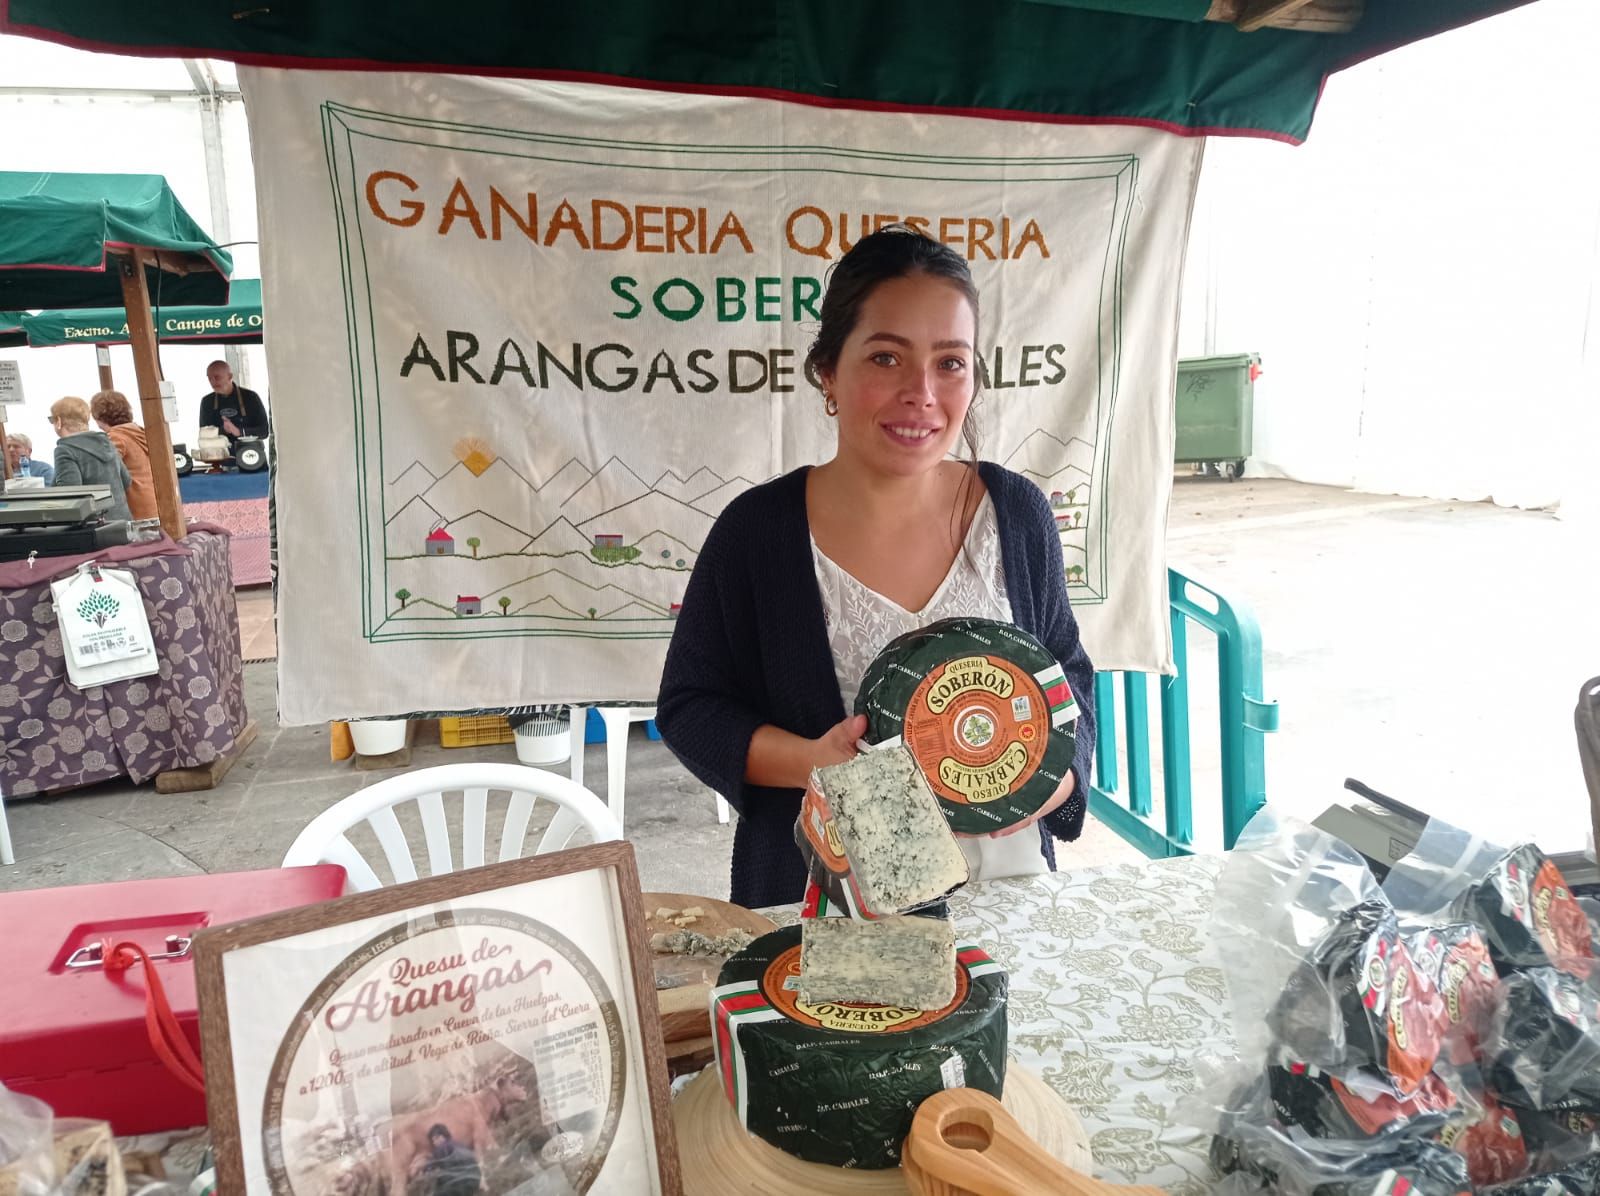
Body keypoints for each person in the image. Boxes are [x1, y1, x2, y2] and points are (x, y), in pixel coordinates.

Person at [655, 225, 1096, 908]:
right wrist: (812, 762)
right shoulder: (759, 533)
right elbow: (691, 707)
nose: (922, 392)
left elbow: (1067, 674)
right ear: (828, 371)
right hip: (834, 910)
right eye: (886, 358)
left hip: (1011, 895)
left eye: (950, 363)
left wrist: (1059, 778)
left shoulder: (1016, 512)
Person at [49, 396, 133, 521]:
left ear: (59, 421)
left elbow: (70, 494)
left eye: (52, 420)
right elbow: (126, 480)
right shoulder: (106, 442)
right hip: (122, 520)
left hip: (93, 525)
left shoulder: (65, 450)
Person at [90, 390, 158, 522]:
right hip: (155, 503)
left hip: (137, 509)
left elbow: (105, 472)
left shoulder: (115, 438)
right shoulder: (141, 433)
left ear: (98, 417)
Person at [198, 359, 267, 452]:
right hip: (220, 457)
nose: (213, 382)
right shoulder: (207, 402)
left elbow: (264, 431)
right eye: (209, 378)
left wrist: (239, 431)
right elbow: (203, 435)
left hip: (250, 455)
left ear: (230, 376)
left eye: (217, 377)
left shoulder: (250, 397)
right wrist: (223, 430)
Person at [418, 1124, 481, 1196]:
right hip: (475, 1180)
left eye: (436, 1138)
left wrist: (422, 1170)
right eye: (433, 1141)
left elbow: (429, 1167)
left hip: (460, 1182)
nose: (435, 1143)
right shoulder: (459, 1144)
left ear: (442, 1136)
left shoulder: (442, 1147)